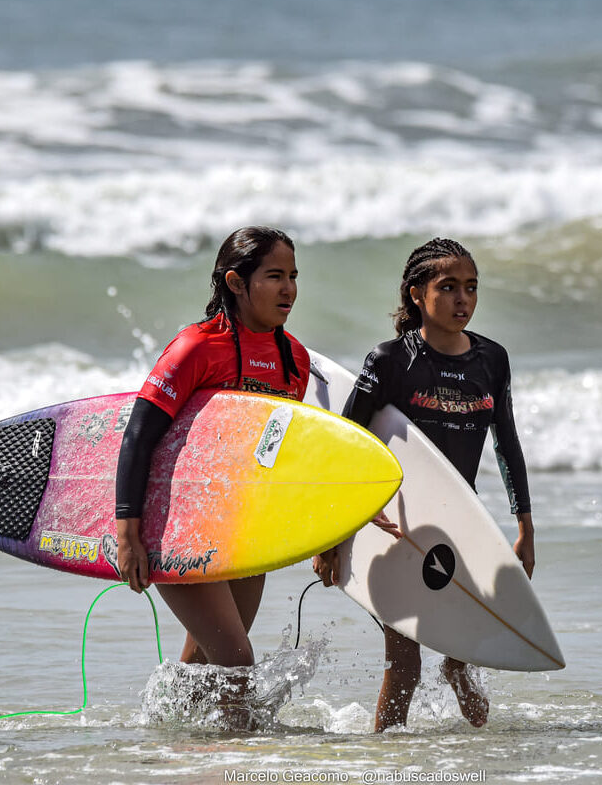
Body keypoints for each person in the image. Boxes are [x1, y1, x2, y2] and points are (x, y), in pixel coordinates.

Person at [312, 237, 533, 732]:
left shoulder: (491, 360)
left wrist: (525, 526)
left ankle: (484, 754)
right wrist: (331, 538)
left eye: (471, 288)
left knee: (466, 652)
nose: (463, 300)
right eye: (448, 287)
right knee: (404, 661)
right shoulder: (391, 360)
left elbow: (507, 444)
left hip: (458, 524)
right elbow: (348, 448)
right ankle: (387, 758)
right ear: (417, 294)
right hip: (392, 527)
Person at [115, 226, 310, 728]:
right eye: (274, 276)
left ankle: (167, 749)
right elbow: (138, 437)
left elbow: (279, 456)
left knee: (205, 669)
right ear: (236, 282)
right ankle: (242, 765)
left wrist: (321, 532)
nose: (288, 288)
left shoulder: (295, 360)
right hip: (175, 527)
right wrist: (127, 534)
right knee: (236, 669)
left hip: (240, 530)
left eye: (292, 276)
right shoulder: (195, 348)